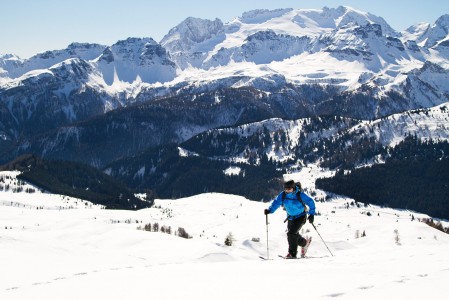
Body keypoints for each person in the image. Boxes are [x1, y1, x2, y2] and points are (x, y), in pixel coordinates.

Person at [264, 179, 316, 259]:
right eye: (286, 188)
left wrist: (311, 214)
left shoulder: (299, 195)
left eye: (289, 188)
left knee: (291, 234)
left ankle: (292, 254)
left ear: (293, 187)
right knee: (293, 235)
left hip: (301, 217)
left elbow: (310, 202)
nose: (287, 190)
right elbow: (276, 202)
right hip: (291, 217)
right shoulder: (283, 195)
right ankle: (305, 244)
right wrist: (270, 210)